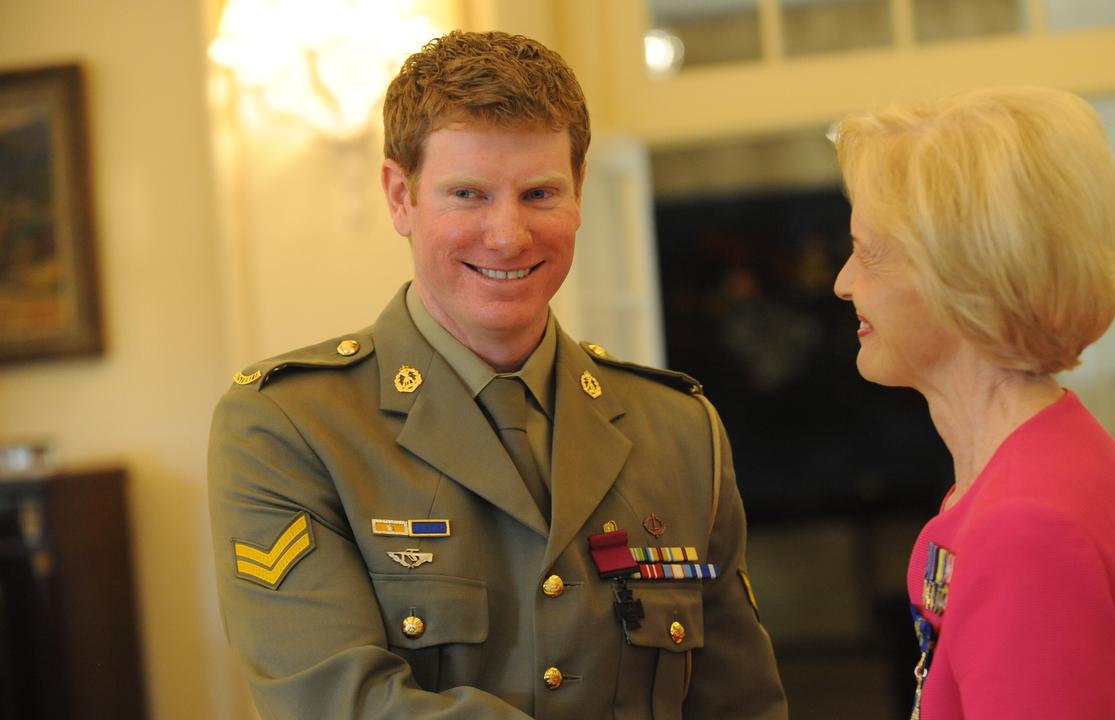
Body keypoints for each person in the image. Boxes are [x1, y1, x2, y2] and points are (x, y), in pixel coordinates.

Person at [208, 30, 787, 719]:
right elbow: (339, 703)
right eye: (468, 194)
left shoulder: (681, 430)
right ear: (400, 197)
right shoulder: (289, 427)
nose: (509, 235)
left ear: (579, 195)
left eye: (540, 193)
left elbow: (742, 705)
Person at [832, 86, 1115, 719]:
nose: (843, 283)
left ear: (961, 273)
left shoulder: (1026, 526)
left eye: (867, 253)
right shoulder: (1048, 457)